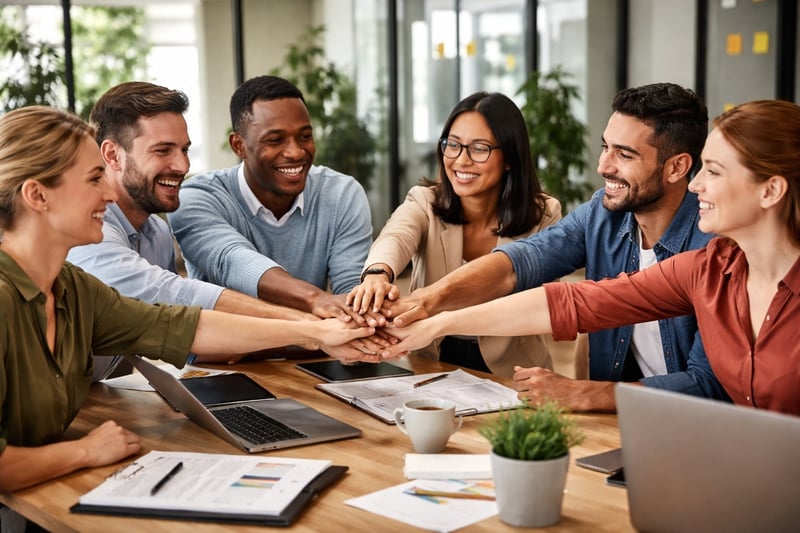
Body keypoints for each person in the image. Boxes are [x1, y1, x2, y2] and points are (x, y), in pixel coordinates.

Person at [0, 106, 374, 494]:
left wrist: (318, 333)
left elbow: (186, 325)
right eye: (95, 179)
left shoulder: (74, 289)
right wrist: (85, 452)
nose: (110, 193)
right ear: (37, 195)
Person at [380, 99, 800, 416]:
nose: (697, 185)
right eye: (605, 148)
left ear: (771, 191)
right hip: (673, 437)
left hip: (704, 436)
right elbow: (567, 295)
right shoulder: (707, 268)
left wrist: (583, 393)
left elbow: (708, 386)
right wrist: (433, 313)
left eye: (714, 171)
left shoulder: (708, 251)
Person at [66, 82, 366, 377]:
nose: (182, 165)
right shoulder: (87, 230)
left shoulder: (156, 234)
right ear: (112, 155)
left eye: (184, 150)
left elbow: (177, 333)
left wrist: (341, 329)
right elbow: (177, 293)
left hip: (100, 390)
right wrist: (312, 329)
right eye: (163, 150)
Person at [347, 91, 561, 376]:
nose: (461, 160)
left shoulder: (544, 214)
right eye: (453, 145)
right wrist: (377, 274)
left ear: (510, 157)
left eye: (480, 148)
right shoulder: (424, 201)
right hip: (432, 360)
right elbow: (395, 236)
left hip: (514, 367)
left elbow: (540, 305)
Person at [168, 75, 373, 324]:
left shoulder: (341, 193)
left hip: (316, 343)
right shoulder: (196, 197)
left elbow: (352, 291)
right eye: (275, 140)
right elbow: (234, 262)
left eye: (305, 136)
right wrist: (315, 299)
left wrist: (360, 312)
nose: (296, 152)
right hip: (229, 348)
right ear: (239, 145)